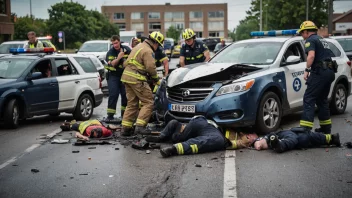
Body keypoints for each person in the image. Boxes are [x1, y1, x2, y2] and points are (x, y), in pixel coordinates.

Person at [145, 116, 258, 158]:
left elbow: (239, 143)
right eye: (253, 136)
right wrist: (228, 143)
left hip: (200, 123)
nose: (252, 137)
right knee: (217, 140)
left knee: (176, 128)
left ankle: (163, 137)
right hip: (207, 125)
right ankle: (175, 148)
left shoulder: (243, 138)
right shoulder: (243, 128)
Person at [120, 31, 164, 136]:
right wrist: (156, 79)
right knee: (148, 102)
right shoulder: (148, 51)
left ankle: (126, 128)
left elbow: (125, 63)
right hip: (137, 79)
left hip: (126, 77)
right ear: (156, 43)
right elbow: (150, 67)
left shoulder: (138, 46)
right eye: (159, 45)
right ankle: (140, 127)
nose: (158, 48)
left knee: (132, 103)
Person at [296, 21, 336, 134]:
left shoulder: (310, 40)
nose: (302, 36)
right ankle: (325, 129)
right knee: (322, 100)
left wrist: (307, 70)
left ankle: (305, 129)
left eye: (302, 33)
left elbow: (311, 56)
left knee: (309, 98)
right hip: (329, 71)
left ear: (306, 31)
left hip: (320, 72)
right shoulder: (322, 39)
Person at [105, 35, 131, 121]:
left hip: (124, 75)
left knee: (125, 94)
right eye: (113, 44)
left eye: (116, 43)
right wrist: (119, 57)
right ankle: (110, 115)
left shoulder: (127, 50)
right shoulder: (110, 52)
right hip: (113, 76)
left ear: (119, 41)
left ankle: (124, 115)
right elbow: (112, 64)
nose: (115, 45)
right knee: (114, 94)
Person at [253, 127, 340, 153]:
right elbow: (258, 144)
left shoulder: (259, 138)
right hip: (294, 136)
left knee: (310, 136)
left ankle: (279, 145)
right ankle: (279, 145)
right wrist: (259, 141)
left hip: (297, 134)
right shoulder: (257, 139)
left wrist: (261, 140)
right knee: (292, 140)